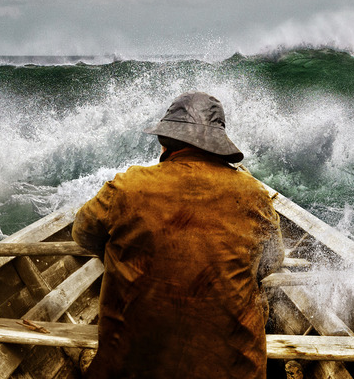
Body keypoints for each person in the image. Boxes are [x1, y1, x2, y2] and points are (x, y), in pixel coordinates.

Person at [72, 91, 285, 379]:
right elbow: (271, 262)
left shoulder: (126, 187)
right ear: (217, 146)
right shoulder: (254, 194)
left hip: (129, 370)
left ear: (165, 141)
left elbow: (83, 234)